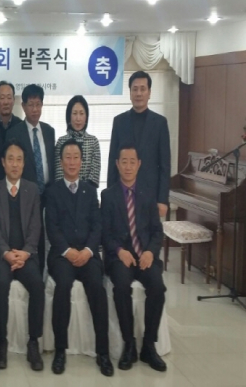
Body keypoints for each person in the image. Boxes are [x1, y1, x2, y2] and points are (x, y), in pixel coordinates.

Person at [46, 139, 113, 377]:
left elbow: (97, 226)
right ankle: (60, 350)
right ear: (61, 161)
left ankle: (103, 352)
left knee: (97, 286)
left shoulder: (90, 190)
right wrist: (67, 251)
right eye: (68, 157)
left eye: (76, 157)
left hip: (88, 254)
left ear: (82, 162)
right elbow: (52, 227)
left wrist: (88, 251)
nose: (72, 162)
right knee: (63, 286)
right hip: (62, 255)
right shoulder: (52, 191)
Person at [101, 143, 167, 372]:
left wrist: (150, 252)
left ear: (138, 164)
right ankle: (129, 344)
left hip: (145, 255)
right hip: (120, 256)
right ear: (117, 164)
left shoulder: (148, 194)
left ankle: (149, 345)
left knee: (158, 288)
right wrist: (119, 251)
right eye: (124, 162)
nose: (128, 166)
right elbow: (105, 234)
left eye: (132, 162)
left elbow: (157, 231)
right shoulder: (108, 196)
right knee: (120, 287)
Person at [0, 139, 44, 371]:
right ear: (3, 162)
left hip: (26, 255)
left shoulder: (33, 190)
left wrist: (26, 252)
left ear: (24, 163)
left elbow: (36, 227)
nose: (15, 164)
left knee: (37, 285)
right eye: (10, 159)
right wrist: (6, 253)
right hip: (2, 255)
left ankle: (33, 342)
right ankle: (1, 341)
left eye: (19, 159)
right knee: (1, 283)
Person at [6, 84, 56, 272]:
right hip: (25, 194)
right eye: (31, 105)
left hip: (48, 194)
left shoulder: (49, 131)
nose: (35, 109)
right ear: (23, 106)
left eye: (38, 104)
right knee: (31, 236)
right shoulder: (14, 132)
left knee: (48, 237)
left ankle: (46, 274)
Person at [107, 71, 171, 217]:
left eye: (143, 89)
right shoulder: (119, 121)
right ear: (130, 93)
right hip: (123, 194)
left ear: (149, 93)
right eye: (135, 89)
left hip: (151, 195)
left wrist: (162, 200)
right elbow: (113, 161)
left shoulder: (160, 123)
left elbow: (165, 165)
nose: (139, 93)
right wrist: (110, 195)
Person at [55, 95, 101, 187]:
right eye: (75, 113)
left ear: (86, 117)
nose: (78, 118)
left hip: (88, 192)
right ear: (69, 116)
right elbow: (58, 174)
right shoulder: (61, 141)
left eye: (81, 113)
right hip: (63, 192)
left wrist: (82, 190)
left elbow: (94, 175)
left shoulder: (93, 141)